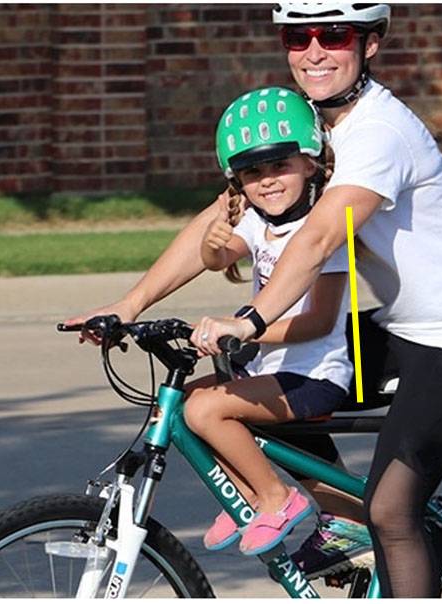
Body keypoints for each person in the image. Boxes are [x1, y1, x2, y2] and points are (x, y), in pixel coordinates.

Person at [186, 4, 442, 596]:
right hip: (404, 328)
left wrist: (251, 317)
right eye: (298, 35)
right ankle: (343, 524)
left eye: (334, 34)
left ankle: (367, 527)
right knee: (263, 381)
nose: (314, 50)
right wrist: (127, 305)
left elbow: (319, 237)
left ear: (370, 43)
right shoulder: (312, 128)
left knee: (393, 510)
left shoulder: (377, 132)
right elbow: (218, 220)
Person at [186, 86, 354, 557]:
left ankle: (275, 498)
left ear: (310, 162)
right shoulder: (259, 221)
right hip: (271, 370)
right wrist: (211, 244)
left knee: (206, 410)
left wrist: (244, 329)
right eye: (253, 172)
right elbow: (221, 258)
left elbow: (318, 322)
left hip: (314, 375)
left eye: (280, 165)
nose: (268, 181)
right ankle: (242, 492)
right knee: (183, 401)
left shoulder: (323, 231)